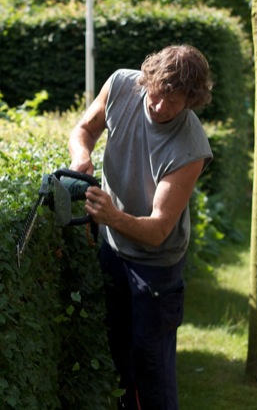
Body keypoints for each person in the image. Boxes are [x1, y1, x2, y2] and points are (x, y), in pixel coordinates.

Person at [69, 44, 213, 410]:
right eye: (159, 94)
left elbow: (159, 229)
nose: (161, 107)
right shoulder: (121, 85)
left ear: (191, 102)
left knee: (153, 371)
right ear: (147, 79)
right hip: (113, 250)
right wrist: (81, 155)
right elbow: (83, 128)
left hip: (156, 268)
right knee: (120, 357)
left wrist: (111, 216)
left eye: (175, 102)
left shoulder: (190, 147)